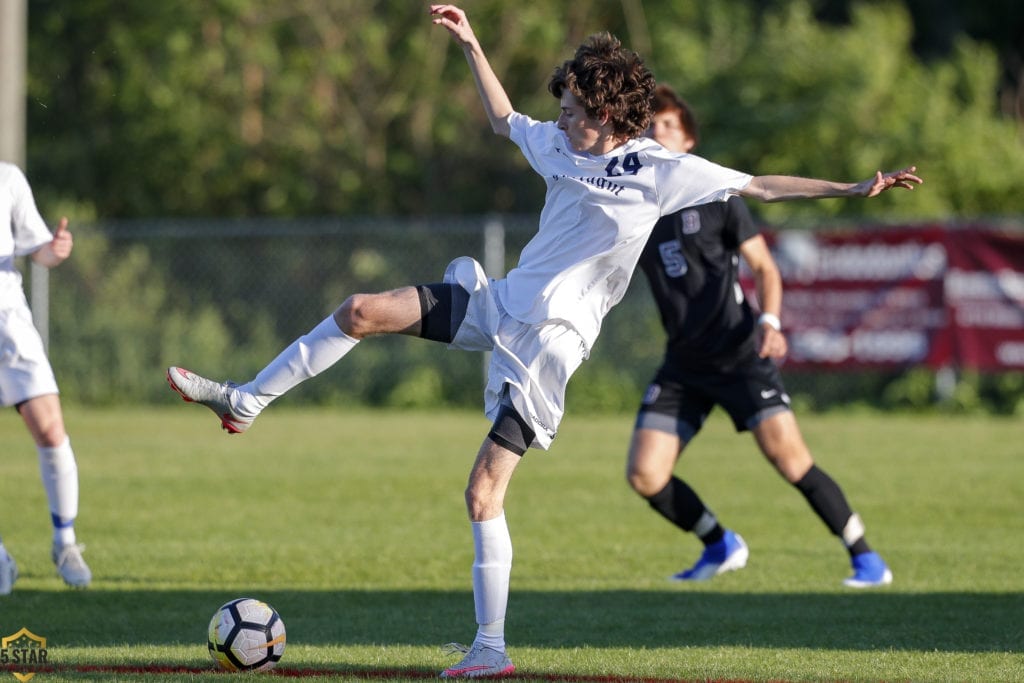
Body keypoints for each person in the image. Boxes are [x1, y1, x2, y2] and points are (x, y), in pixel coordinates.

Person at [166, 5, 920, 676]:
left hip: (552, 347)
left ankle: (489, 647)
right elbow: (502, 120)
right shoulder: (560, 146)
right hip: (501, 307)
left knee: (482, 491)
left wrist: (854, 189)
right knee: (361, 309)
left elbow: (760, 185)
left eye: (568, 110)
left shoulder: (662, 169)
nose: (555, 120)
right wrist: (470, 44)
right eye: (557, 109)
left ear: (603, 112)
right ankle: (248, 398)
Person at [626, 85, 892, 589]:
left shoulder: (718, 198)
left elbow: (765, 268)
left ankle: (867, 559)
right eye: (648, 126)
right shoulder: (635, 209)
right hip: (683, 363)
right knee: (645, 475)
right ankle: (719, 543)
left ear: (687, 141)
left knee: (791, 461)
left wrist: (770, 323)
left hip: (739, 353)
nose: (654, 133)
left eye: (666, 126)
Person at [0, 161, 92, 595]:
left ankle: (65, 542)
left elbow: (37, 248)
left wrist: (54, 250)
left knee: (51, 429)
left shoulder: (7, 178)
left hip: (8, 323)